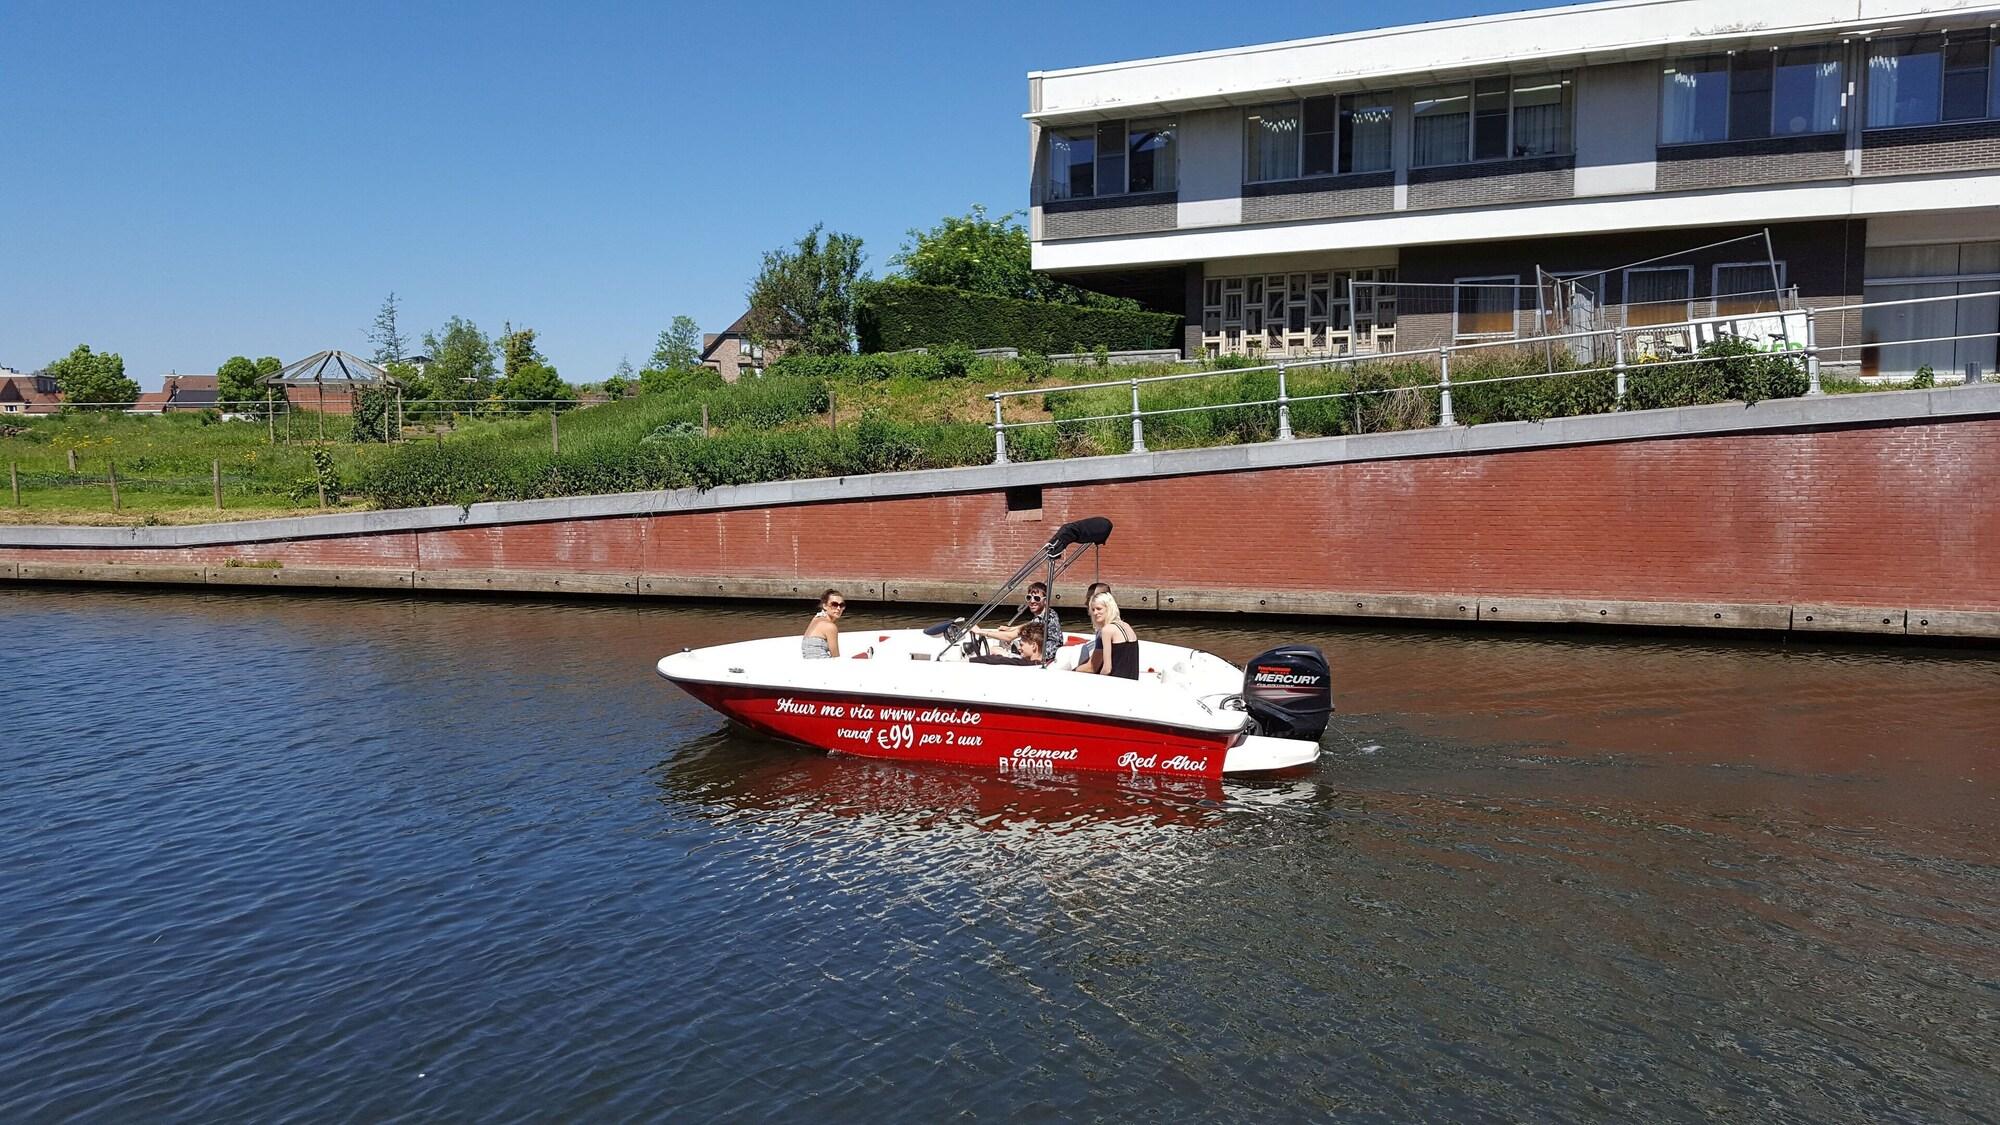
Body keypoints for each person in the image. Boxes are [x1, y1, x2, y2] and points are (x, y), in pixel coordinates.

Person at [972, 581, 1062, 665]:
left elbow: (1010, 637)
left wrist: (981, 632)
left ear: (1045, 600)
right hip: (1047, 655)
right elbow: (1031, 624)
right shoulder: (1050, 613)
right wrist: (1010, 628)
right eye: (1029, 597)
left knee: (995, 651)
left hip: (1040, 660)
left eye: (1037, 598)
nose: (1032, 601)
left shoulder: (1044, 618)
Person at [1077, 591, 1139, 679]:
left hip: (1115, 684)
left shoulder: (1107, 630)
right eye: (1093, 610)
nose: (1095, 613)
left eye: (1099, 609)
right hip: (1132, 682)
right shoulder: (1127, 626)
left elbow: (1107, 669)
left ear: (1109, 608)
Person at [1072, 581, 1113, 668]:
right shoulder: (1111, 625)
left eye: (1091, 599)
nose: (1086, 603)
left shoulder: (1105, 630)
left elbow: (1094, 667)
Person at [970, 621, 1044, 667]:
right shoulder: (1043, 662)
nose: (1019, 648)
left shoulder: (1021, 664)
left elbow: (996, 660)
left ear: (1034, 646)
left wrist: (968, 660)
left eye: (1021, 645)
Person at [802, 589, 844, 658]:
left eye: (841, 605)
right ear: (825, 606)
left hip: (810, 664)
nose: (838, 608)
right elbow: (836, 657)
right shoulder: (830, 627)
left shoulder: (816, 618)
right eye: (834, 604)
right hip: (822, 665)